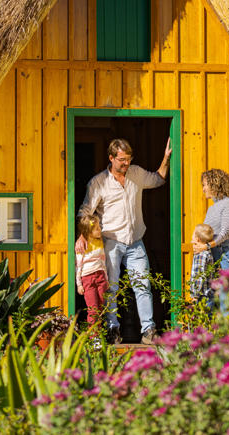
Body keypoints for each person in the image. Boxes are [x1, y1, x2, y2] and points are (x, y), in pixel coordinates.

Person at [78, 137, 171, 345]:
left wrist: (166, 158)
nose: (126, 164)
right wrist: (82, 235)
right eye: (121, 160)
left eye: (128, 159)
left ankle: (148, 330)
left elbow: (158, 179)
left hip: (136, 241)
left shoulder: (136, 173)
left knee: (143, 285)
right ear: (111, 158)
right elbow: (85, 211)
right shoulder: (98, 183)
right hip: (111, 242)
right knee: (110, 287)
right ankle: (113, 330)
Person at [191, 169, 229, 271]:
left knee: (225, 287)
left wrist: (206, 246)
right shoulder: (211, 208)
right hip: (211, 253)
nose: (203, 189)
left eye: (204, 185)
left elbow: (225, 233)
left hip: (225, 254)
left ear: (214, 184)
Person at [74, 213, 108, 327]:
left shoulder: (100, 241)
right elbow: (78, 265)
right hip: (88, 278)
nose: (100, 230)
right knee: (93, 309)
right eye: (97, 229)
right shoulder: (82, 245)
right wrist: (79, 284)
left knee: (101, 307)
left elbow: (103, 260)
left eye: (99, 227)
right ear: (88, 232)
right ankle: (94, 337)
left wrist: (106, 279)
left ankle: (99, 332)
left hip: (101, 276)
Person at [189, 223, 216, 310]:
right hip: (208, 294)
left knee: (200, 320)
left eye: (193, 234)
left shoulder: (201, 255)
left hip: (203, 296)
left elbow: (199, 276)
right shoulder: (207, 252)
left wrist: (195, 295)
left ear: (197, 239)